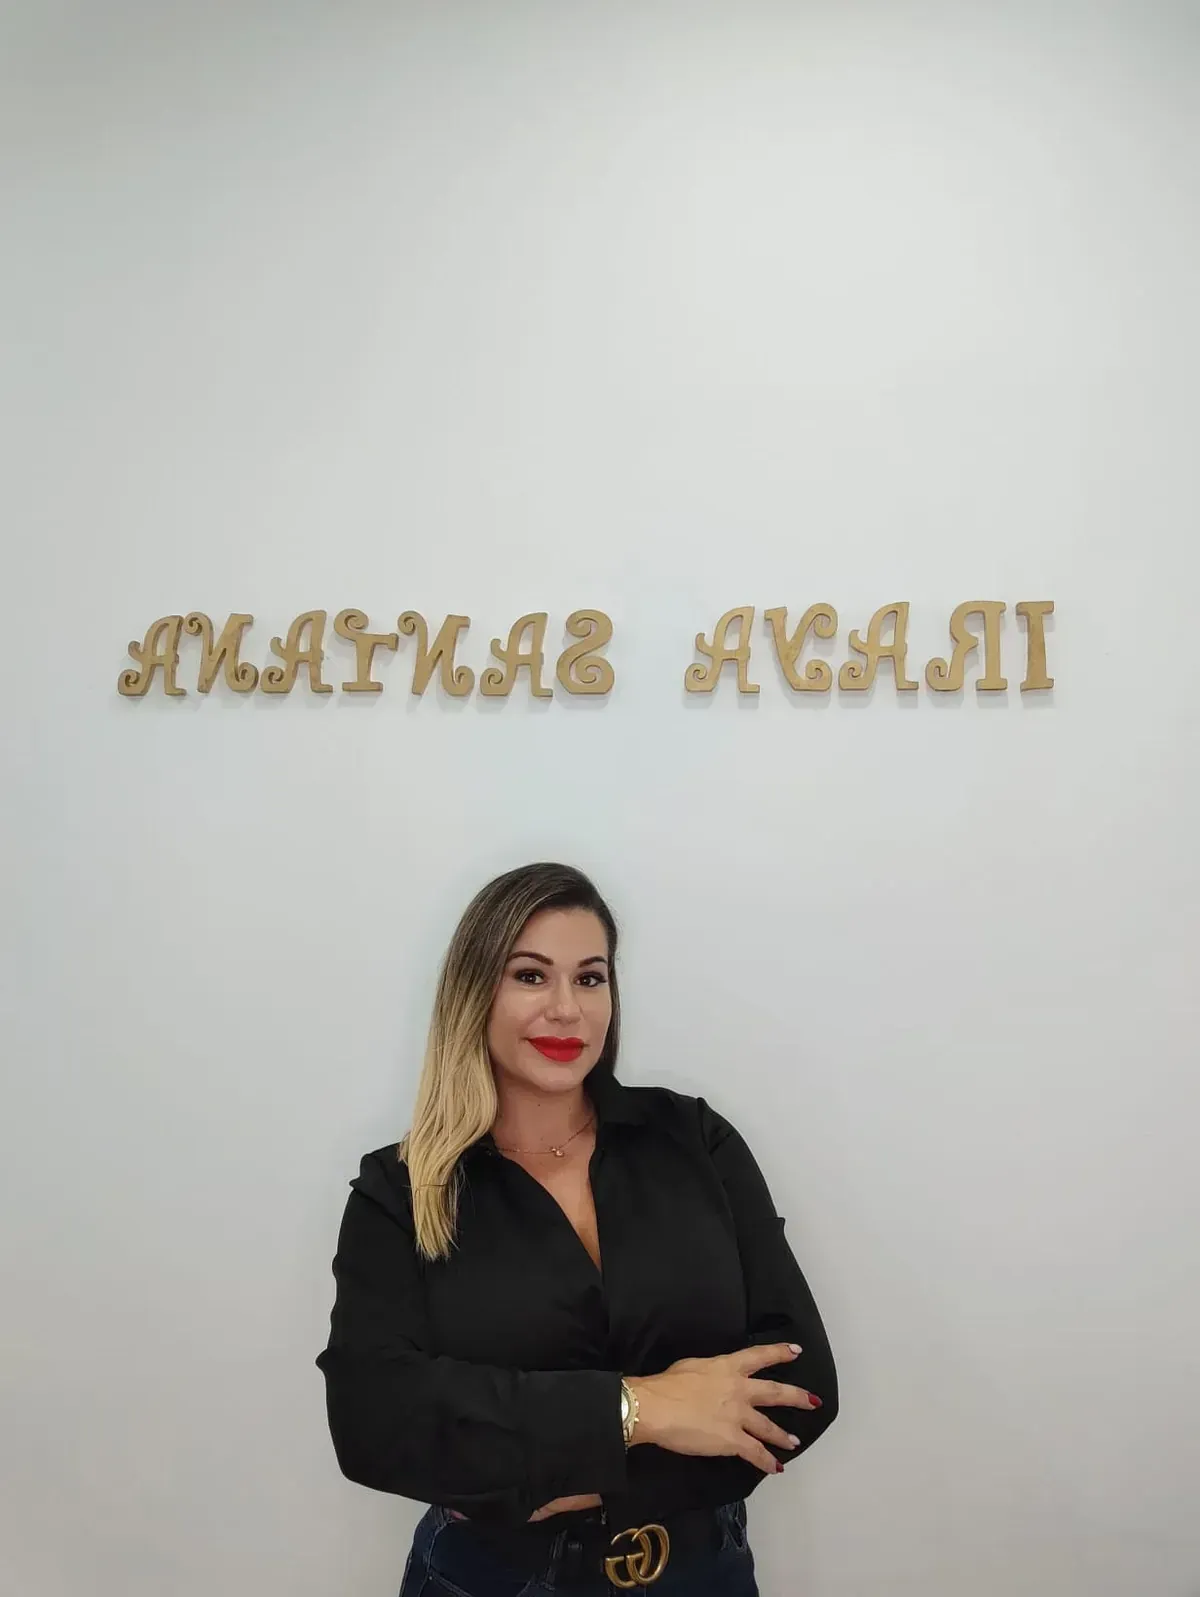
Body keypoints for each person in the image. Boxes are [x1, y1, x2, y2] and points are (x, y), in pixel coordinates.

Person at [315, 862, 838, 1595]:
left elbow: (801, 1378)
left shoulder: (694, 1140)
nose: (567, 1008)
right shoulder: (400, 1192)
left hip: (702, 1573)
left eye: (590, 978)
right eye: (531, 975)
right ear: (474, 993)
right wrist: (647, 1408)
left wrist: (530, 1457)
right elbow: (375, 1421)